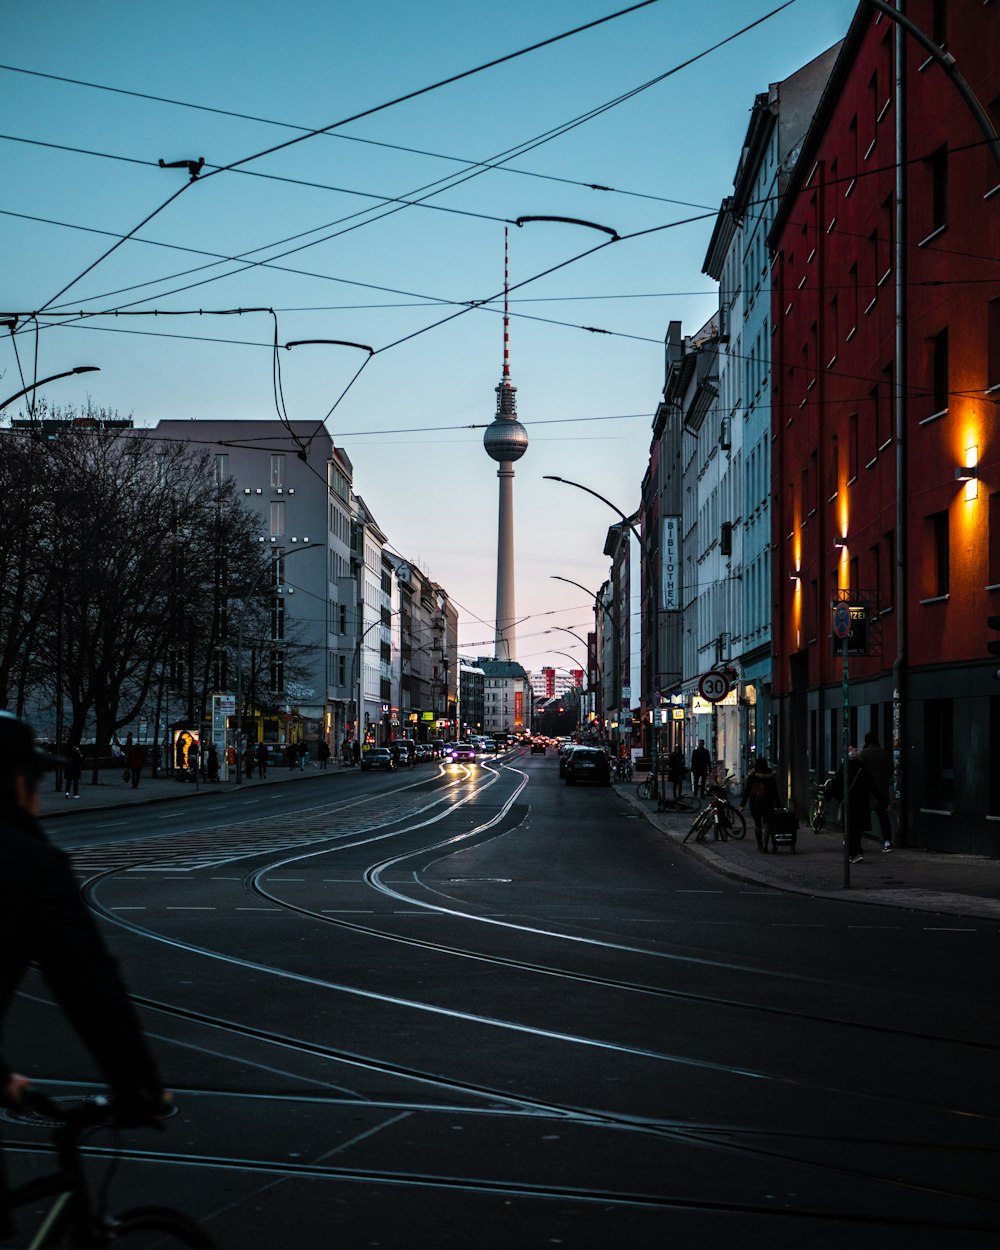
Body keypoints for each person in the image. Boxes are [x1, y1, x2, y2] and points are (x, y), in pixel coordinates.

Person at [0, 713, 170, 1237]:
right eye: (38, 781)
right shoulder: (25, 865)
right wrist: (138, 1088)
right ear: (15, 784)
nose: (41, 798)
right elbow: (90, 986)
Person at [826, 747, 878, 863]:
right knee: (857, 830)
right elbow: (873, 787)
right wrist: (884, 802)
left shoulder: (844, 769)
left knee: (849, 830)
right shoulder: (863, 770)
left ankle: (854, 853)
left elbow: (837, 784)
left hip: (848, 804)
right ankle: (856, 852)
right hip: (862, 805)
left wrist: (827, 795)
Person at [859, 732, 893, 852]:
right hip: (882, 790)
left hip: (867, 791)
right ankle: (887, 841)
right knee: (884, 818)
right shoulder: (884, 753)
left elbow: (859, 771)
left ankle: (856, 842)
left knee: (860, 817)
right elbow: (890, 770)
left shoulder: (863, 753)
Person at [739, 755, 781, 852]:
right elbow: (775, 792)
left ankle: (759, 845)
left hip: (755, 803)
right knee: (767, 823)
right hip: (768, 803)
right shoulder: (771, 776)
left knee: (757, 824)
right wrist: (778, 804)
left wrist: (742, 805)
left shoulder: (752, 776)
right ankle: (766, 843)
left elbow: (747, 791)